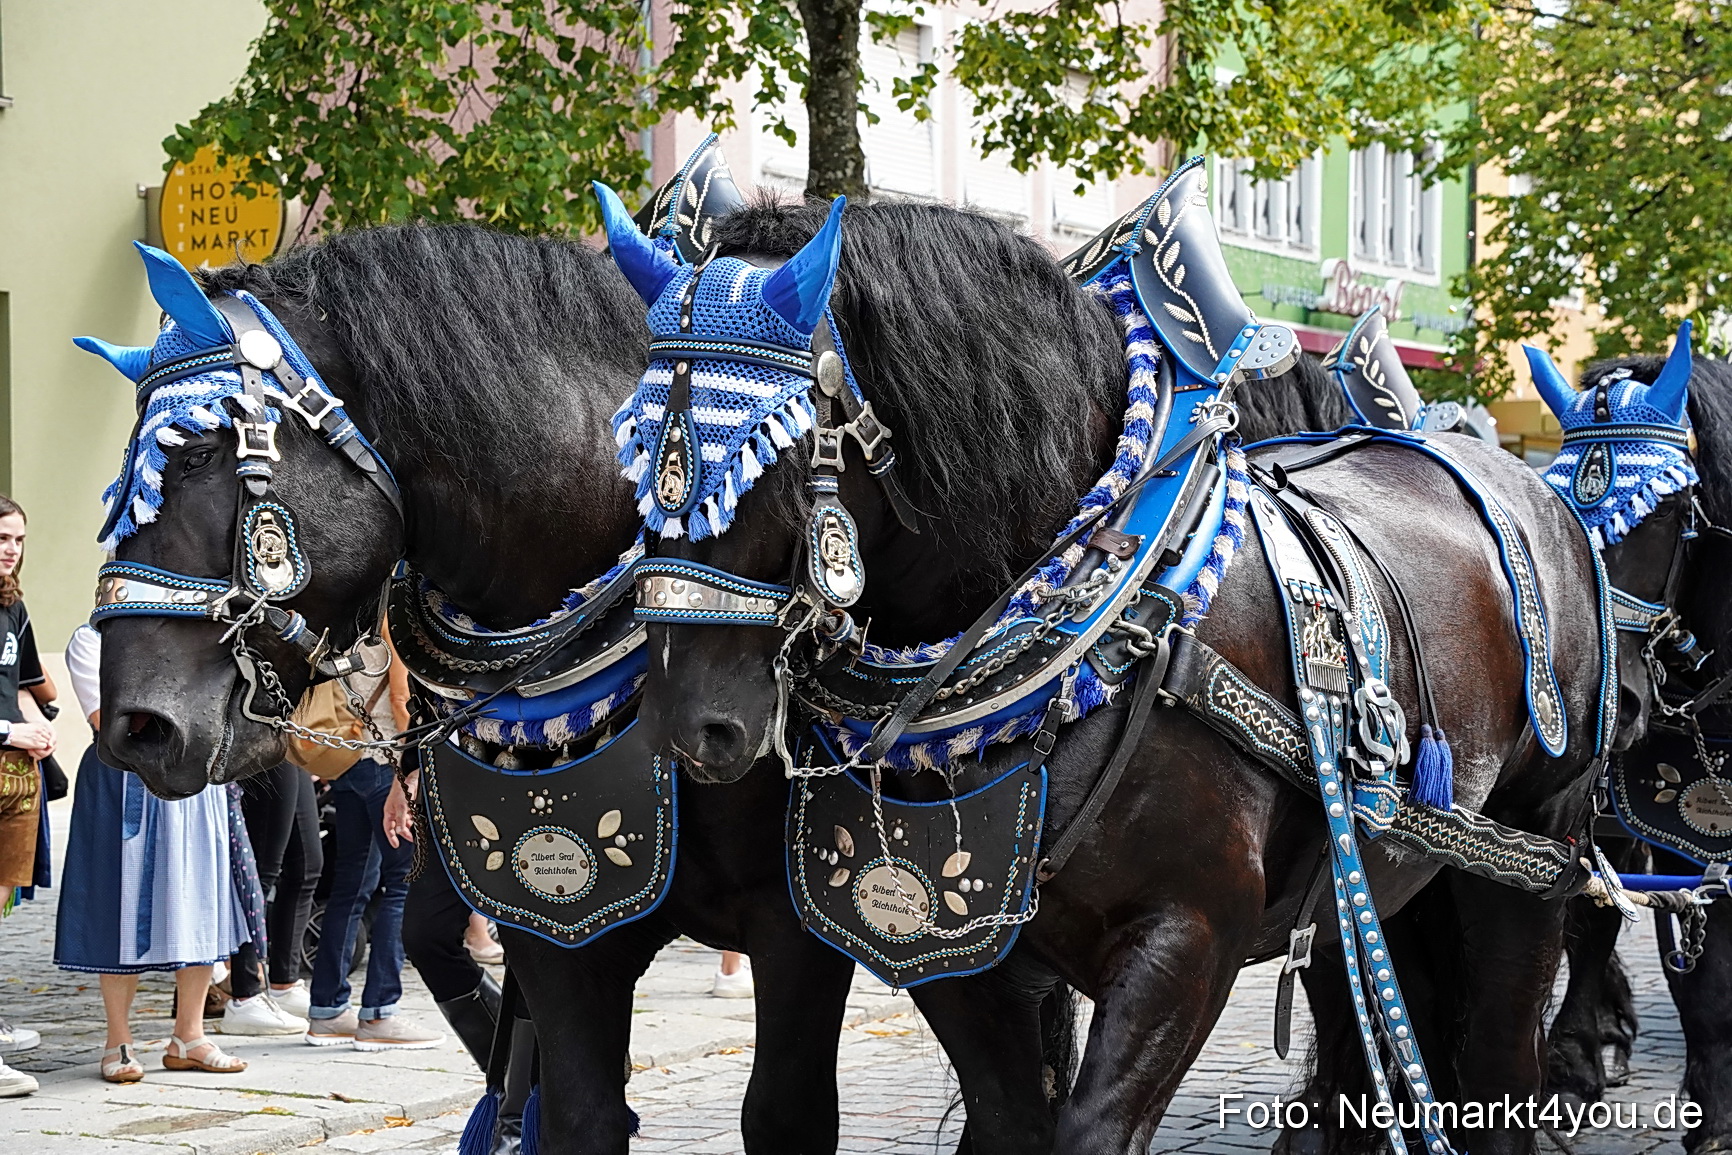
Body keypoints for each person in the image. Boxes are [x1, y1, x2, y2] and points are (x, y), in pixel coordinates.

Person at [54, 622, 254, 1082]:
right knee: (118, 903)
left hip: (194, 775)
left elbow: (221, 708)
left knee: (200, 893)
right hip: (123, 776)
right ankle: (118, 1040)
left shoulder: (192, 636)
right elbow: (112, 720)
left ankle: (190, 1035)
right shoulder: (92, 641)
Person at [305, 659, 443, 1049]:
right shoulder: (390, 629)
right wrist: (412, 768)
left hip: (351, 763)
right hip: (388, 765)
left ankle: (327, 1011)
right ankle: (380, 1012)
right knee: (403, 884)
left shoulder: (349, 634)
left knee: (350, 888)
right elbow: (402, 699)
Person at [0, 496, 54, 1097]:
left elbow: (24, 685)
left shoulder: (13, 608)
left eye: (17, 539)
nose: (11, 550)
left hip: (16, 775)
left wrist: (37, 725)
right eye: (1, 538)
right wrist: (11, 730)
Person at [221, 761, 322, 1033]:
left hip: (292, 739)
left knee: (307, 867)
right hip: (262, 735)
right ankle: (244, 994)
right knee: (260, 872)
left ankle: (284, 983)